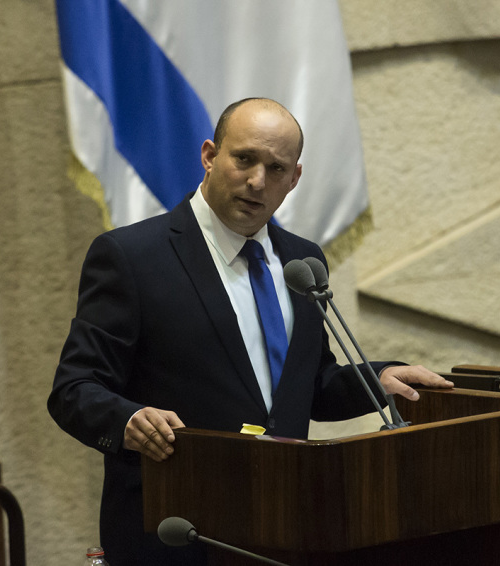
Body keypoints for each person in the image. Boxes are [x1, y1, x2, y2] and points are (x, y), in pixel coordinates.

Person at [48, 98, 453, 565]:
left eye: (276, 169)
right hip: (174, 531)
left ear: (294, 179)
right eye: (244, 159)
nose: (258, 181)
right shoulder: (132, 256)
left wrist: (376, 379)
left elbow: (310, 386)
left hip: (281, 527)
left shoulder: (302, 262)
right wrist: (128, 420)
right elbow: (73, 389)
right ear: (209, 156)